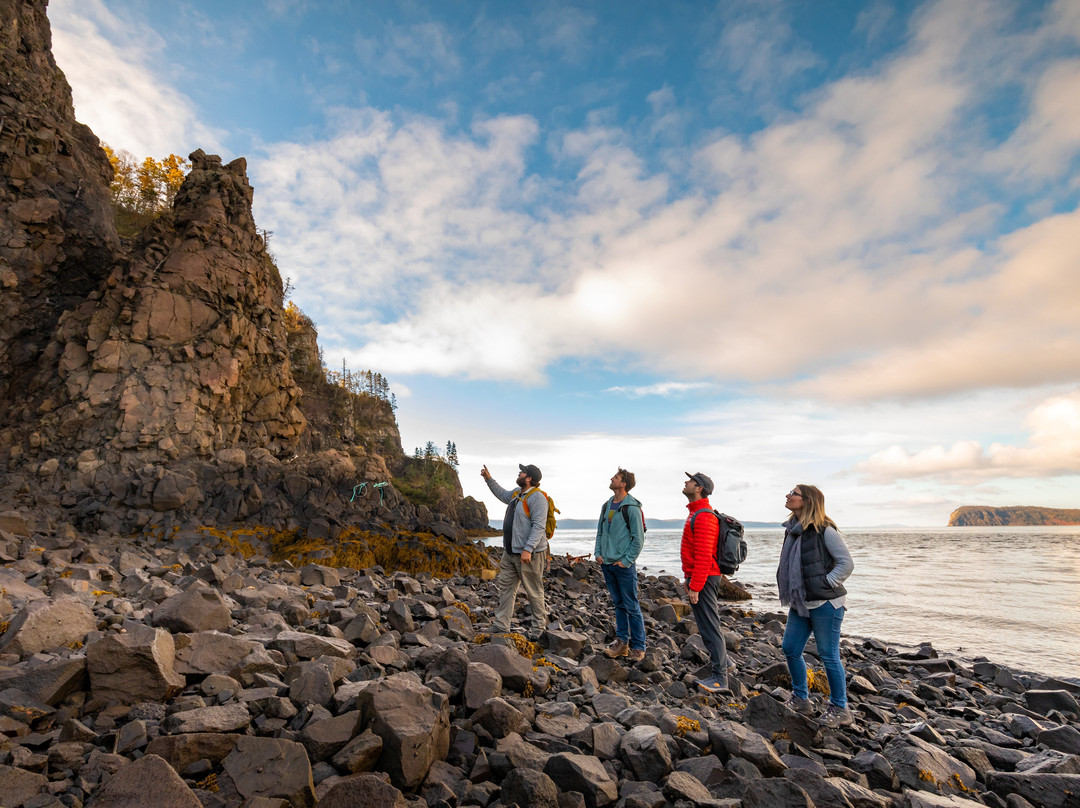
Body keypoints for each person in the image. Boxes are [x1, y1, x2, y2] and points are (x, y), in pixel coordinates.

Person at [777, 484, 855, 728]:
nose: (788, 496)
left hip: (826, 603)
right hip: (801, 601)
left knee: (828, 655)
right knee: (790, 648)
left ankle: (840, 708)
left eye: (794, 493)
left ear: (808, 500)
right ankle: (801, 698)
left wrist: (825, 583)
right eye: (789, 492)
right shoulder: (793, 530)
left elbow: (846, 564)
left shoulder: (825, 530)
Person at [480, 463, 549, 634]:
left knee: (534, 591)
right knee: (506, 589)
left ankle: (538, 628)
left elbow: (539, 526)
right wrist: (489, 480)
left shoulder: (538, 498)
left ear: (529, 478)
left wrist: (528, 549)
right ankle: (501, 625)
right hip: (510, 553)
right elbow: (501, 494)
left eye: (522, 472)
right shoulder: (516, 494)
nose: (519, 473)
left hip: (529, 554)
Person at [680, 471, 731, 693]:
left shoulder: (704, 516)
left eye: (690, 481)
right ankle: (725, 662)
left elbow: (703, 555)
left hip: (707, 577)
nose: (686, 482)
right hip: (700, 576)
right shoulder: (695, 513)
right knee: (706, 624)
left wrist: (696, 585)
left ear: (699, 488)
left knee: (710, 626)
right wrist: (688, 578)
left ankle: (720, 678)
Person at [595, 468, 646, 661]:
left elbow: (638, 539)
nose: (611, 478)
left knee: (631, 605)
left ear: (623, 483)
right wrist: (598, 553)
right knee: (618, 604)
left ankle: (639, 647)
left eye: (615, 477)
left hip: (622, 566)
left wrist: (625, 562)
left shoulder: (632, 508)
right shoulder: (607, 505)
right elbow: (600, 531)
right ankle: (622, 643)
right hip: (607, 563)